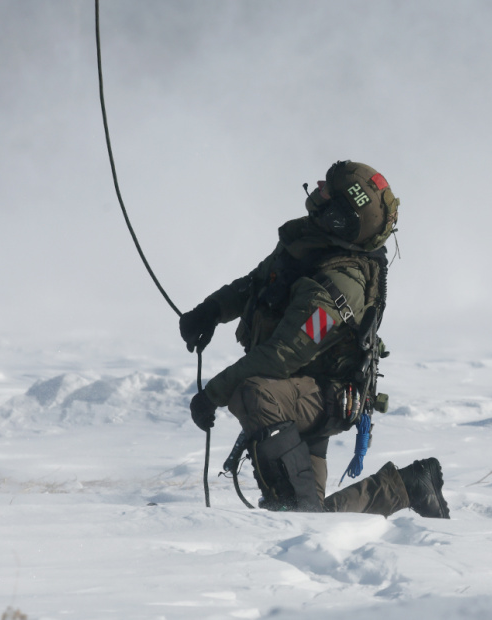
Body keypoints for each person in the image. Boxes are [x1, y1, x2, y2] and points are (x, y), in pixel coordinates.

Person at [179, 160, 449, 518]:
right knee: (309, 516)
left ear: (341, 216)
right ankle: (408, 485)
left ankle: (302, 512)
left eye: (328, 191)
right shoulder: (311, 244)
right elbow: (258, 282)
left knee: (253, 392)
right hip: (299, 387)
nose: (318, 188)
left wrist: (212, 395)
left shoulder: (342, 284)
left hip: (325, 396)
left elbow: (282, 356)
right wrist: (211, 310)